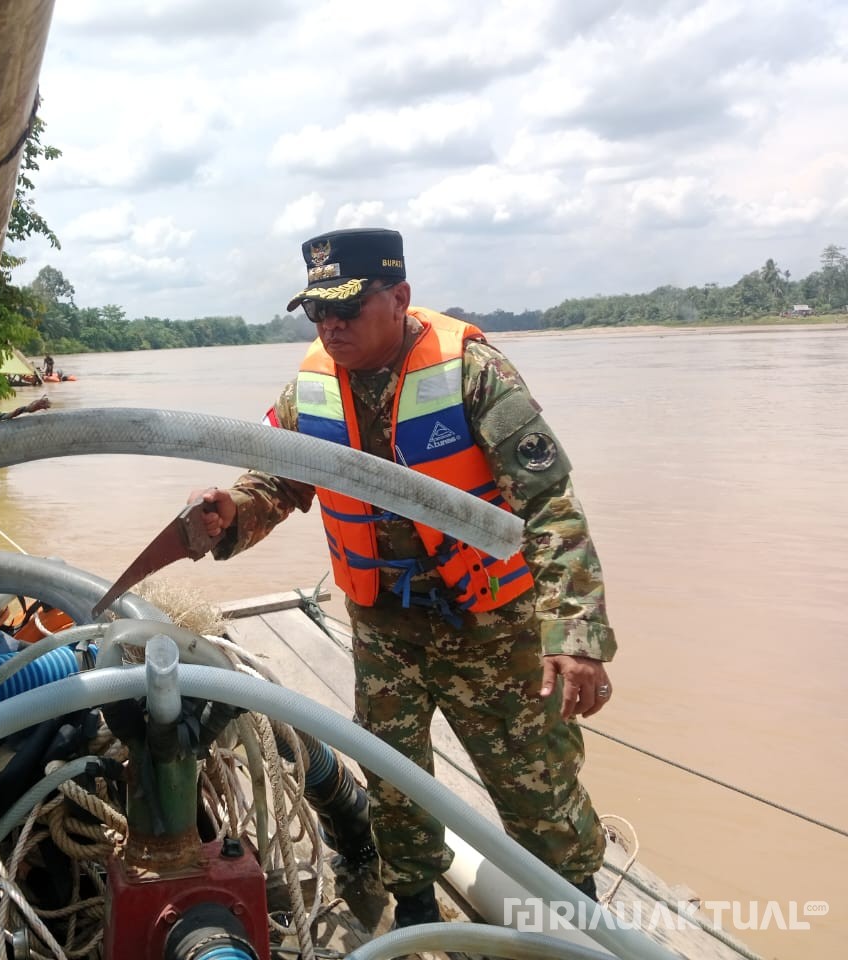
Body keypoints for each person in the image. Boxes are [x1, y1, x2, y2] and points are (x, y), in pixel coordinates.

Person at [188, 227, 616, 928]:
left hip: (491, 630)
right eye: (317, 312)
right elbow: (277, 479)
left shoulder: (473, 372)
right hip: (384, 629)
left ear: (401, 298)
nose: (331, 325)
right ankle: (415, 919)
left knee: (537, 790)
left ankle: (579, 925)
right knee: (393, 785)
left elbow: (551, 505)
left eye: (348, 309)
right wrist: (230, 513)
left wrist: (575, 631)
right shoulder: (311, 388)